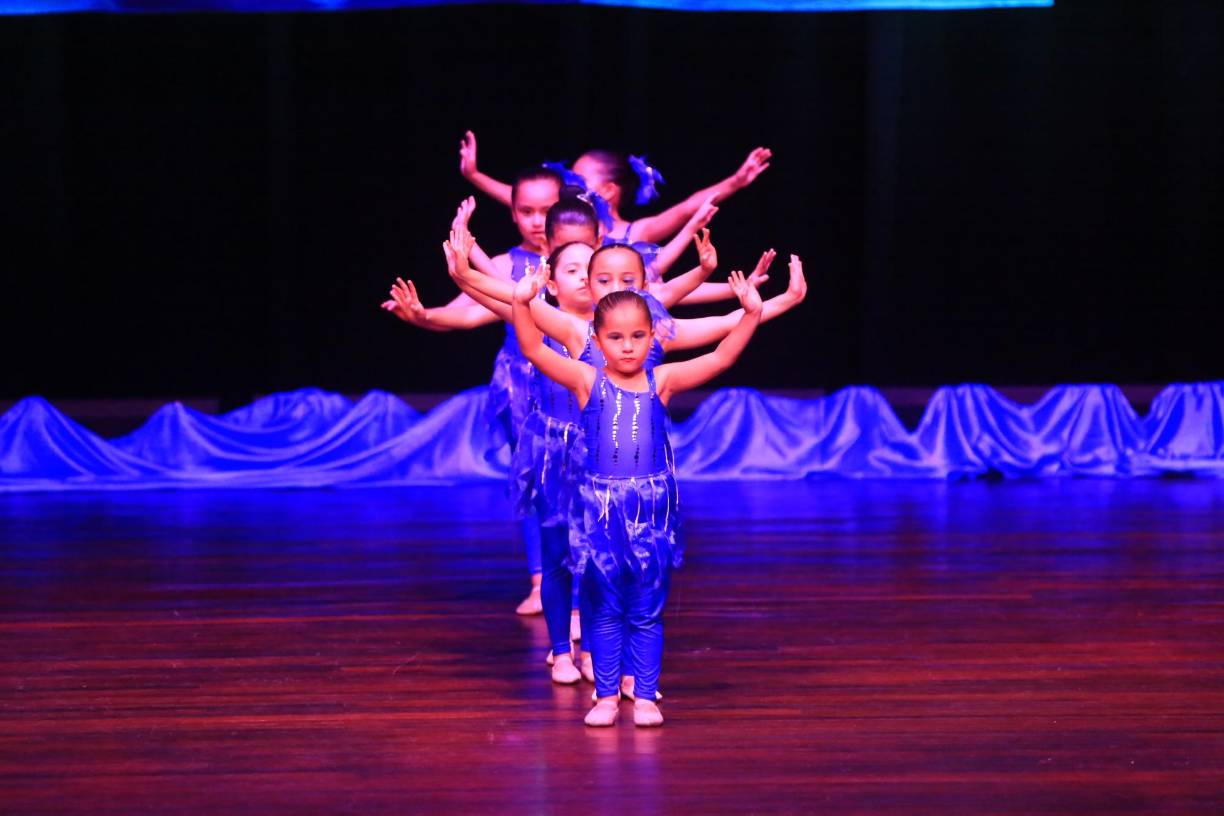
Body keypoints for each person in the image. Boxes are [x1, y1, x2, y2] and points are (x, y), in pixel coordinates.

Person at [511, 261, 765, 727]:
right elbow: (531, 347)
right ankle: (606, 695)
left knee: (647, 607)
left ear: (652, 338)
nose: (627, 347)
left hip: (651, 511)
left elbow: (721, 358)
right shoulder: (587, 380)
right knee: (605, 606)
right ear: (597, 342)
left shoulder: (661, 381)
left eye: (637, 337)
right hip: (599, 511)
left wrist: (748, 315)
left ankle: (644, 693)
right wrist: (522, 300)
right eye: (615, 338)